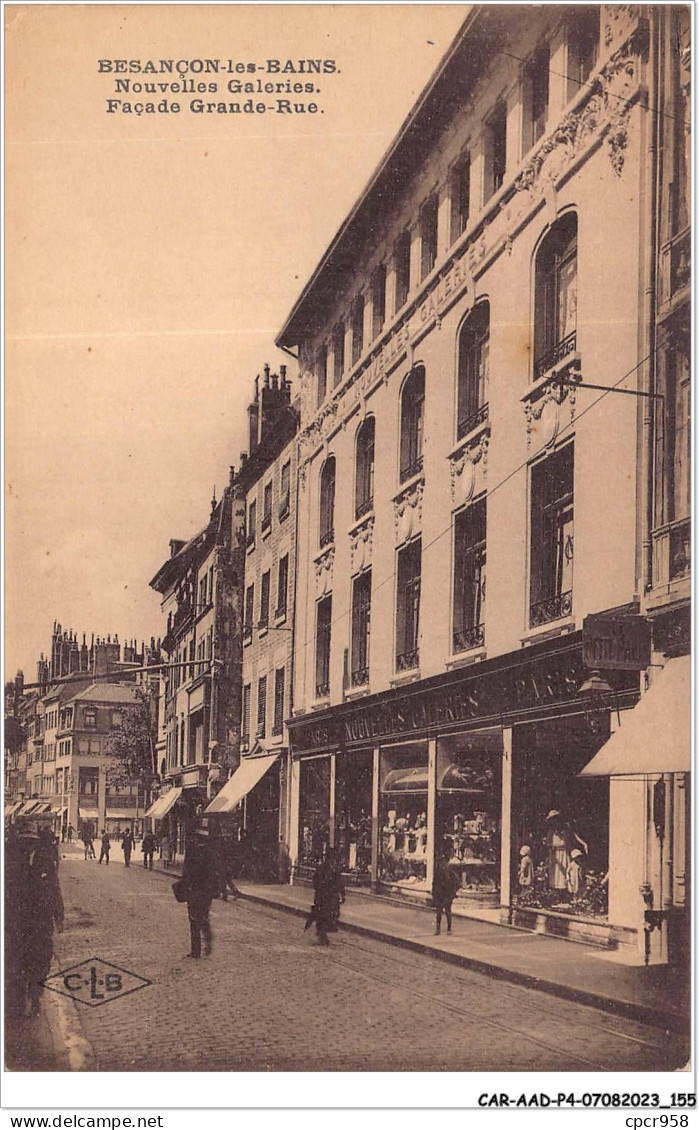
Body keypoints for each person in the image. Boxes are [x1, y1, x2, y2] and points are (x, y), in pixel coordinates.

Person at [23, 829, 65, 1015]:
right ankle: (26, 995)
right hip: (21, 922)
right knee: (26, 959)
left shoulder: (45, 861)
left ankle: (35, 996)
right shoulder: (12, 861)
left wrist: (59, 916)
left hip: (40, 921)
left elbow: (54, 890)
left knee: (40, 958)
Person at [180, 833, 220, 959]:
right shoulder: (210, 853)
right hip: (206, 893)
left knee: (193, 920)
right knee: (203, 917)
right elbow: (214, 873)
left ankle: (196, 951)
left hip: (194, 891)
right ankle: (208, 939)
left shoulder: (191, 853)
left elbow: (186, 873)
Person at [544, 810, 588, 892]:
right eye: (553, 820)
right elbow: (548, 843)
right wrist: (551, 848)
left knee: (566, 872)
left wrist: (584, 844)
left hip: (564, 853)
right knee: (555, 873)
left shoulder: (566, 829)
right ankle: (555, 891)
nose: (555, 822)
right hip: (555, 854)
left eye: (556, 819)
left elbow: (575, 836)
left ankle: (565, 891)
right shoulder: (551, 832)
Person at [310, 847, 345, 946]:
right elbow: (315, 882)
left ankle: (323, 937)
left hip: (326, 897)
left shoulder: (330, 869)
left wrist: (342, 894)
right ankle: (322, 937)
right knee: (323, 917)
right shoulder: (326, 869)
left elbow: (339, 884)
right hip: (325, 897)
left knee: (325, 917)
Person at [432, 846, 460, 936]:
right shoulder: (446, 867)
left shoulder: (450, 867)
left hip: (446, 892)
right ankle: (441, 929)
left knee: (444, 911)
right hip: (442, 892)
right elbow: (435, 882)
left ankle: (444, 929)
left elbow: (455, 881)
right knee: (442, 911)